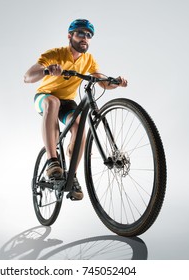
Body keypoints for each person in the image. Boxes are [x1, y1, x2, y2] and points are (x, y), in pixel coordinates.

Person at [24, 19, 127, 200]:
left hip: (68, 102)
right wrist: (47, 70)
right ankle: (52, 161)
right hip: (45, 97)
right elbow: (28, 77)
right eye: (80, 33)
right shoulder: (55, 54)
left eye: (88, 35)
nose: (85, 38)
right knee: (53, 103)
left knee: (80, 126)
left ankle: (72, 176)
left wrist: (115, 82)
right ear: (70, 36)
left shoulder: (88, 60)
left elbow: (101, 81)